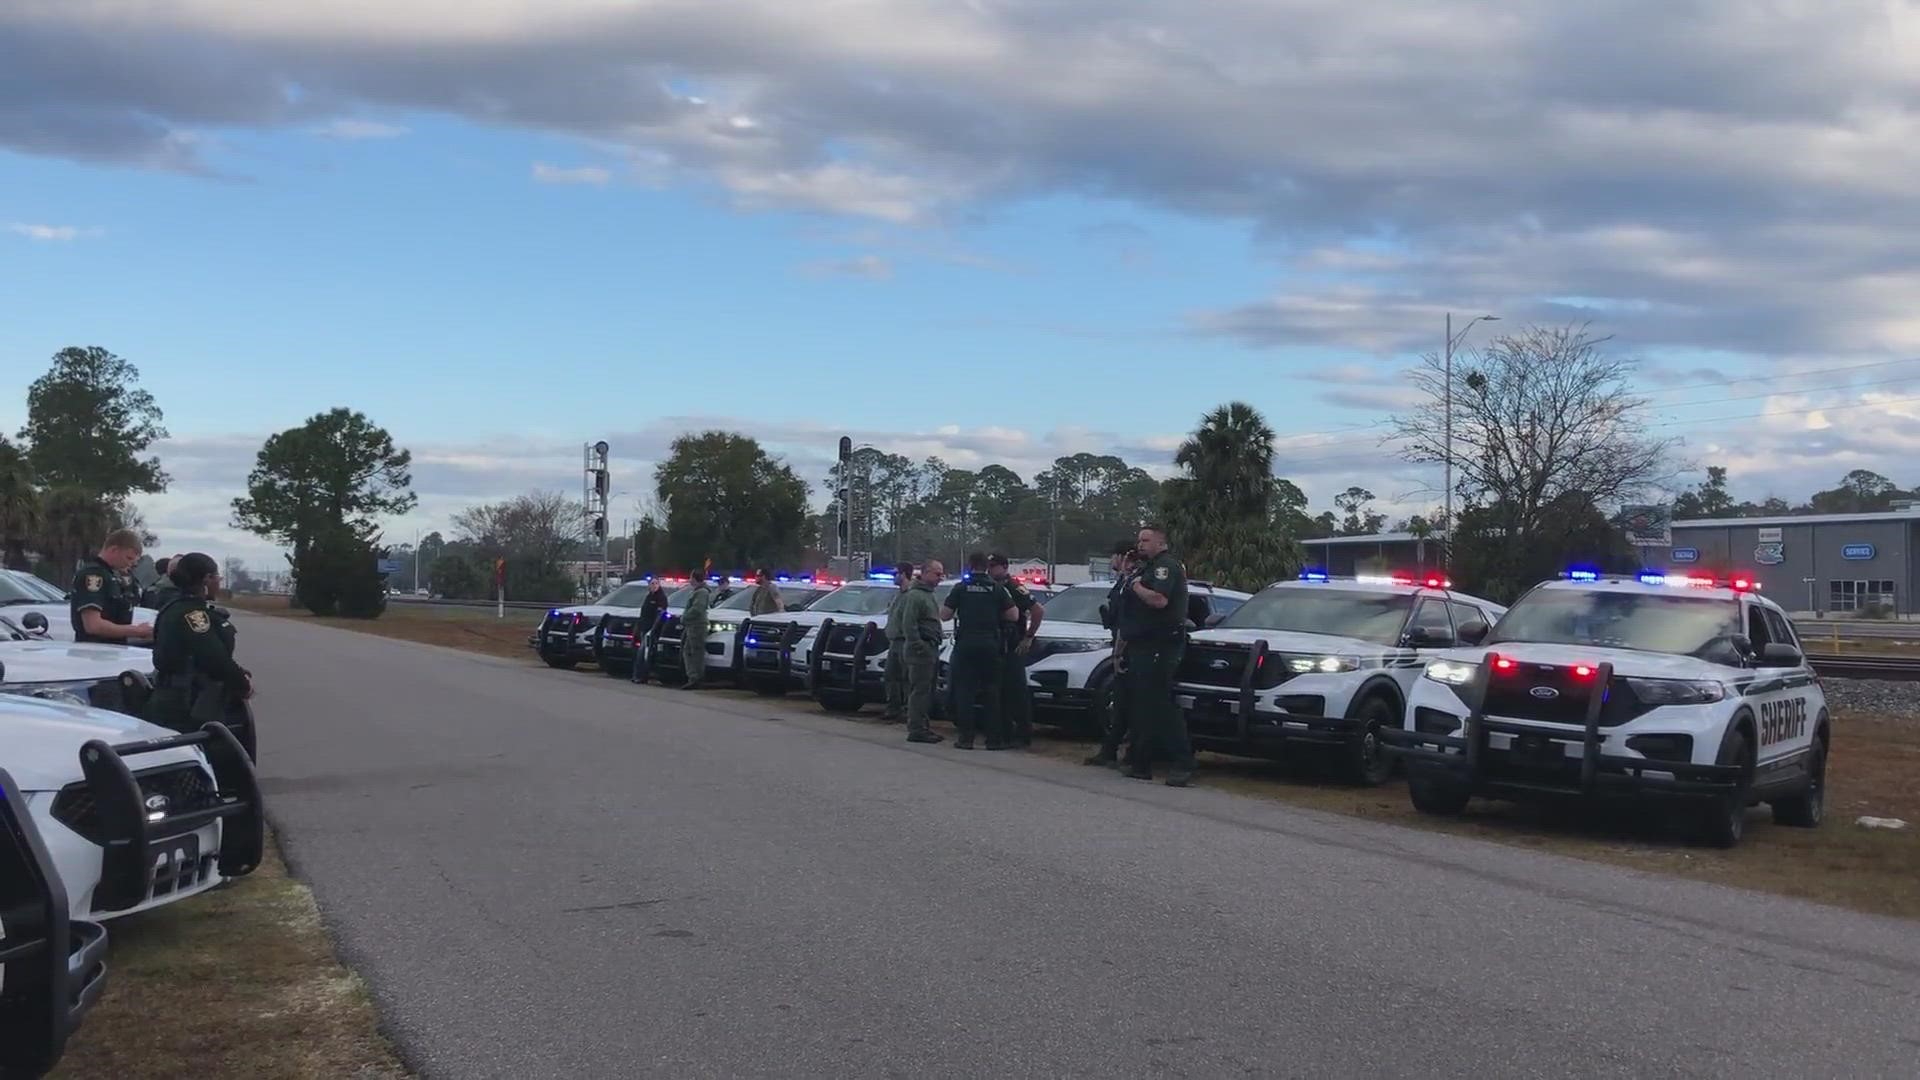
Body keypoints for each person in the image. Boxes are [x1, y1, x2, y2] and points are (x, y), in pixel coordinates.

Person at [147, 553, 254, 755]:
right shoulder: (193, 615)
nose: (219, 582)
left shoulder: (176, 607)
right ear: (206, 579)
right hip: (189, 705)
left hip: (178, 699)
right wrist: (242, 683)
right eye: (217, 577)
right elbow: (215, 659)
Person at [1116, 524, 1195, 786]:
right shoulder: (1145, 568)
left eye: (1146, 540)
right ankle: (1141, 762)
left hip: (1161, 645)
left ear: (1161, 543)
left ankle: (1182, 763)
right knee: (1143, 705)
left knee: (1161, 704)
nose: (1140, 544)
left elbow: (1159, 600)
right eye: (1139, 540)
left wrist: (1136, 585)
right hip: (1142, 644)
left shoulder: (1166, 567)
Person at [939, 552, 1018, 750]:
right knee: (992, 691)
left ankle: (966, 738)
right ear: (986, 567)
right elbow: (1014, 615)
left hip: (966, 644)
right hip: (990, 645)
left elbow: (945, 615)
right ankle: (993, 740)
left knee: (965, 691)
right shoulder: (997, 588)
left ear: (970, 566)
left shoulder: (961, 588)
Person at [1085, 540, 1140, 768]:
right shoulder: (1121, 582)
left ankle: (1132, 753)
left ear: (1123, 557)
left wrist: (1120, 653)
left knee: (1133, 705)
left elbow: (1131, 619)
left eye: (1114, 556)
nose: (1112, 561)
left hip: (1131, 649)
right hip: (1120, 643)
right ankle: (1110, 750)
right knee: (1120, 704)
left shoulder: (1136, 581)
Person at [987, 554, 1045, 748]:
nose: (990, 570)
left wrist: (1028, 637)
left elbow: (1038, 610)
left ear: (1004, 567)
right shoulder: (990, 587)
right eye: (988, 566)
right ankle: (1005, 733)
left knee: (1016, 691)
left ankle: (1023, 734)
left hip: (1013, 644)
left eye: (993, 566)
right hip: (996, 644)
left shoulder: (1014, 587)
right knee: (999, 692)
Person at [70, 529, 154, 645]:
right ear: (114, 550)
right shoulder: (94, 575)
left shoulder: (114, 576)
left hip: (114, 649)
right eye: (128, 558)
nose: (131, 564)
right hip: (93, 650)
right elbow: (93, 625)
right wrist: (136, 630)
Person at [897, 560, 945, 744]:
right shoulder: (915, 596)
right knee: (920, 691)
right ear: (924, 573)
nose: (940, 578)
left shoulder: (928, 595)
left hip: (930, 648)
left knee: (927, 690)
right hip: (920, 651)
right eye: (936, 574)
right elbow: (909, 624)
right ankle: (916, 729)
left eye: (941, 574)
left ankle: (924, 726)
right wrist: (919, 645)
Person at [879, 563, 916, 722]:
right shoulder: (898, 594)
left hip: (905, 640)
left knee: (907, 677)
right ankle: (893, 708)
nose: (894, 577)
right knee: (890, 675)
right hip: (894, 641)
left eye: (896, 574)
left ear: (903, 574)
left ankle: (909, 710)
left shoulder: (911, 594)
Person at [631, 579, 669, 684]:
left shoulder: (661, 598)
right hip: (644, 627)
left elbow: (660, 614)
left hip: (653, 630)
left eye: (656, 583)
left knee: (642, 652)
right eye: (652, 583)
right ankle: (638, 675)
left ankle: (641, 676)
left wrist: (653, 629)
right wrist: (639, 626)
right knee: (640, 652)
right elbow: (643, 614)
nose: (654, 585)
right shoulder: (649, 597)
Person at [680, 574, 713, 689]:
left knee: (695, 652)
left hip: (697, 626)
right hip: (692, 625)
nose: (689, 580)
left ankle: (696, 678)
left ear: (695, 579)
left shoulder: (702, 592)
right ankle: (692, 676)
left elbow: (697, 608)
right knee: (688, 651)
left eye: (691, 578)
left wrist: (685, 617)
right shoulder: (697, 591)